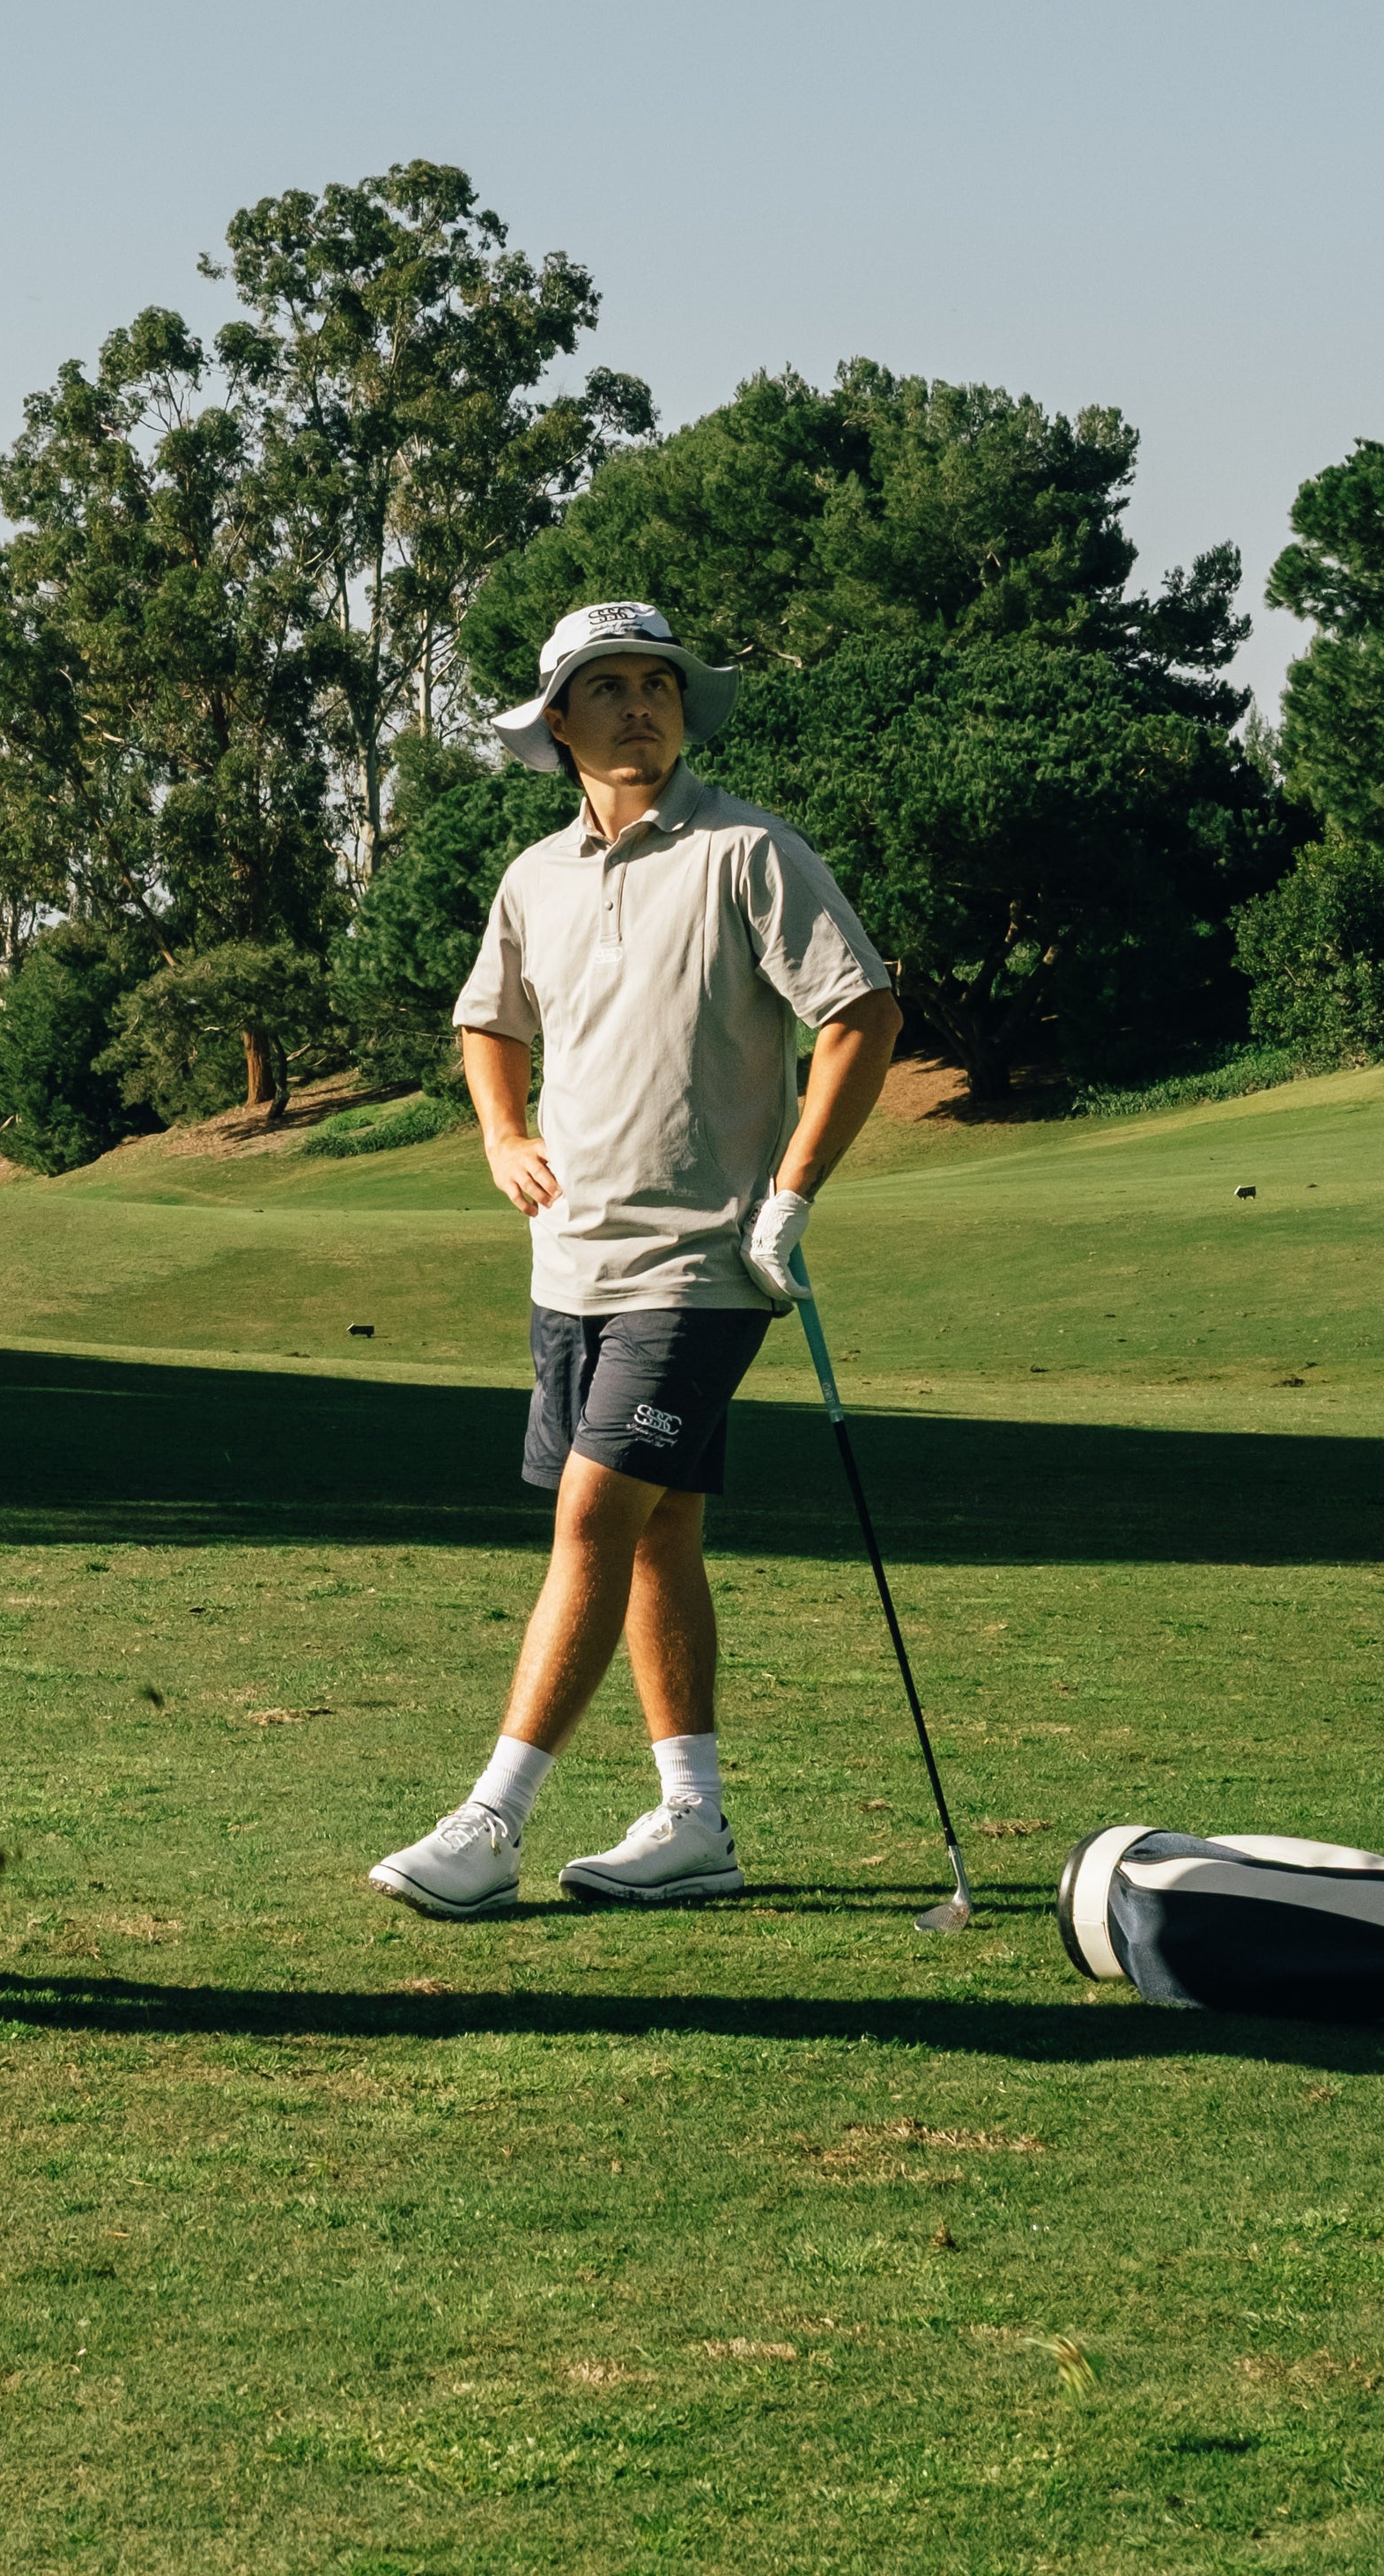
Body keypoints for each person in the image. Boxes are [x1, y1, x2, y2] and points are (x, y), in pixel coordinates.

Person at [367, 599, 901, 1921]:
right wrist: (501, 1133)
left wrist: (790, 1192)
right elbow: (489, 1019)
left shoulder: (747, 851)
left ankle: (491, 1822)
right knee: (660, 1541)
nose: (641, 705)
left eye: (658, 682)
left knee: (591, 1520)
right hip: (570, 1266)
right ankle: (694, 1823)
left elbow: (863, 1011)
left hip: (702, 1267)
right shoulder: (534, 877)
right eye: (608, 686)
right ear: (559, 721)